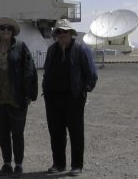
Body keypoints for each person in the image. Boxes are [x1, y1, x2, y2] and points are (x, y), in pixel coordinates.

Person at [43, 19, 98, 177]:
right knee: (56, 132)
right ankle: (59, 164)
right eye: (59, 32)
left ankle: (77, 165)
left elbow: (92, 75)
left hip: (73, 98)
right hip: (53, 98)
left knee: (76, 132)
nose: (62, 35)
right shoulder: (52, 50)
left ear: (71, 33)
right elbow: (47, 71)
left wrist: (84, 91)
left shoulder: (81, 50)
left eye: (65, 31)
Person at [0, 17, 37, 178]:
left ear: (13, 31)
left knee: (17, 133)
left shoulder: (21, 47)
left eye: (8, 29)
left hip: (17, 98)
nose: (5, 31)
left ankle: (19, 164)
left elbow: (30, 70)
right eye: (2, 29)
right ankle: (7, 163)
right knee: (2, 133)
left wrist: (30, 94)